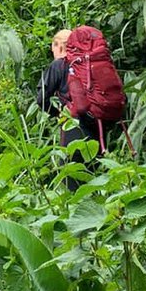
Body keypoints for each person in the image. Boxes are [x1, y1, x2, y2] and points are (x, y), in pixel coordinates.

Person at [37, 28, 100, 187]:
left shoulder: (58, 65)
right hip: (97, 125)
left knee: (72, 176)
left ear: (58, 45)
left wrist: (58, 114)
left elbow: (41, 99)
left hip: (73, 125)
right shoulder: (89, 63)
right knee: (96, 177)